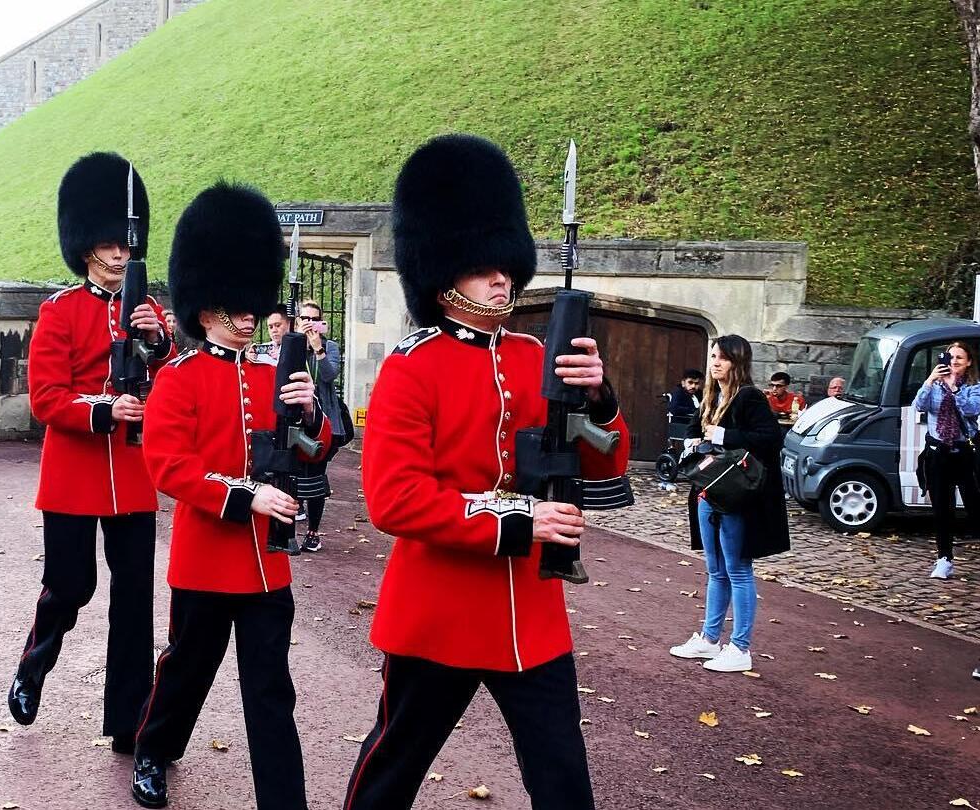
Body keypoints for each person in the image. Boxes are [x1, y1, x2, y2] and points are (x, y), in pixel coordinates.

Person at [343, 134, 631, 810]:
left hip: (530, 613)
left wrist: (599, 399)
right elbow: (395, 500)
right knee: (391, 769)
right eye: (480, 266)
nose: (500, 276)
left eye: (504, 263)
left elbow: (603, 463)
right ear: (442, 273)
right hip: (439, 613)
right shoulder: (411, 368)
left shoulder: (538, 356)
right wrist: (521, 519)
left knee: (563, 781)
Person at [131, 181, 328, 809]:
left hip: (267, 565)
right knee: (187, 672)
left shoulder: (276, 373)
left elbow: (312, 450)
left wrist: (312, 414)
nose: (249, 317)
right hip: (206, 560)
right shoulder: (180, 378)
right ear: (206, 307)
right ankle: (154, 752)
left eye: (253, 306)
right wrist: (246, 498)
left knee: (271, 688)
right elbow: (169, 467)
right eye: (235, 307)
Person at [7, 153, 173, 754]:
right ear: (87, 248)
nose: (122, 253)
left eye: (126, 243)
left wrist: (157, 346)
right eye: (110, 243)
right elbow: (45, 399)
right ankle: (35, 661)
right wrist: (102, 411)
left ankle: (128, 719)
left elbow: (173, 380)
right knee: (71, 584)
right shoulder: (60, 311)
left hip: (131, 473)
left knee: (135, 600)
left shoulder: (150, 312)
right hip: (75, 473)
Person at [668, 334, 789, 673]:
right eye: (713, 356)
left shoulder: (749, 397)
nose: (715, 362)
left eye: (722, 357)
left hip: (737, 494)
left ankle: (740, 647)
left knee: (737, 569)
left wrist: (723, 436)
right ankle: (709, 639)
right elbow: (696, 430)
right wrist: (693, 441)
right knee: (716, 570)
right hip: (709, 491)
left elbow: (770, 439)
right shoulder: (710, 396)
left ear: (738, 361)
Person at [912, 341, 980, 579]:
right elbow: (919, 406)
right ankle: (944, 559)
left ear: (969, 362)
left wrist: (954, 390)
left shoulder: (974, 387)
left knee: (975, 506)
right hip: (937, 452)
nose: (953, 362)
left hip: (964, 453)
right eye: (950, 357)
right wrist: (930, 381)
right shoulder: (935, 384)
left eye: (959, 358)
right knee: (942, 508)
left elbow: (972, 410)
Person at [295, 298, 344, 552]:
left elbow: (329, 375)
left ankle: (313, 532)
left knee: (315, 476)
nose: (310, 323)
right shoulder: (293, 345)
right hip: (296, 421)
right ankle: (292, 518)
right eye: (305, 318)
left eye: (315, 319)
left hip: (324, 422)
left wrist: (318, 350)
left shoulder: (330, 346)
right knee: (291, 474)